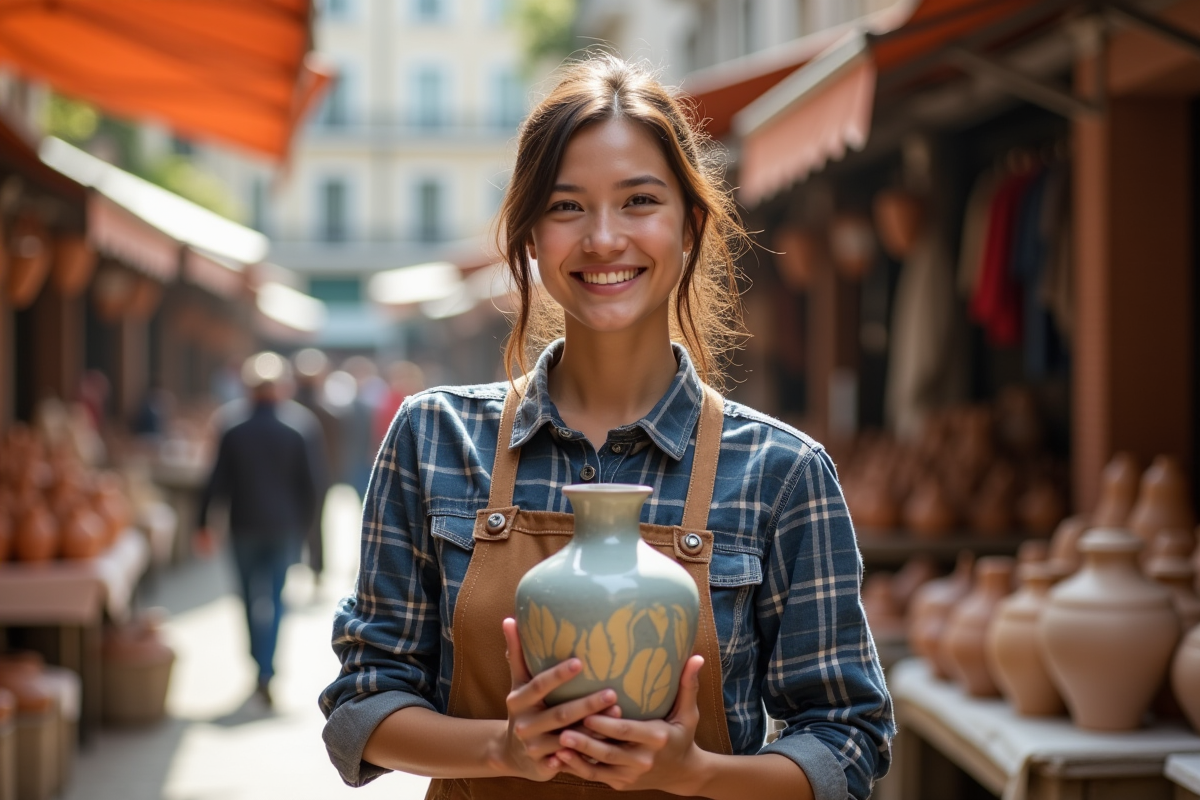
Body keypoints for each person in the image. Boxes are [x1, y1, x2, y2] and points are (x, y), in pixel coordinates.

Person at [320, 54, 894, 800]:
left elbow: (849, 740)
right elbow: (362, 705)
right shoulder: (433, 439)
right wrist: (503, 746)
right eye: (566, 207)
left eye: (638, 201)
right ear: (528, 236)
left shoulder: (783, 471)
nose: (602, 238)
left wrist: (697, 774)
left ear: (689, 226)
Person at [198, 351, 323, 705]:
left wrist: (202, 523)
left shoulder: (233, 427)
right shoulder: (299, 427)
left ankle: (260, 664)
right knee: (276, 598)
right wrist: (307, 527)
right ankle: (267, 668)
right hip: (284, 526)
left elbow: (215, 480)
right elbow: (313, 485)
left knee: (249, 598)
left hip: (243, 525)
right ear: (281, 388)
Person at [292, 348, 341, 587]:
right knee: (316, 524)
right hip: (319, 476)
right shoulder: (328, 412)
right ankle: (316, 568)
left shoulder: (290, 412)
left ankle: (297, 563)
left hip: (290, 478)